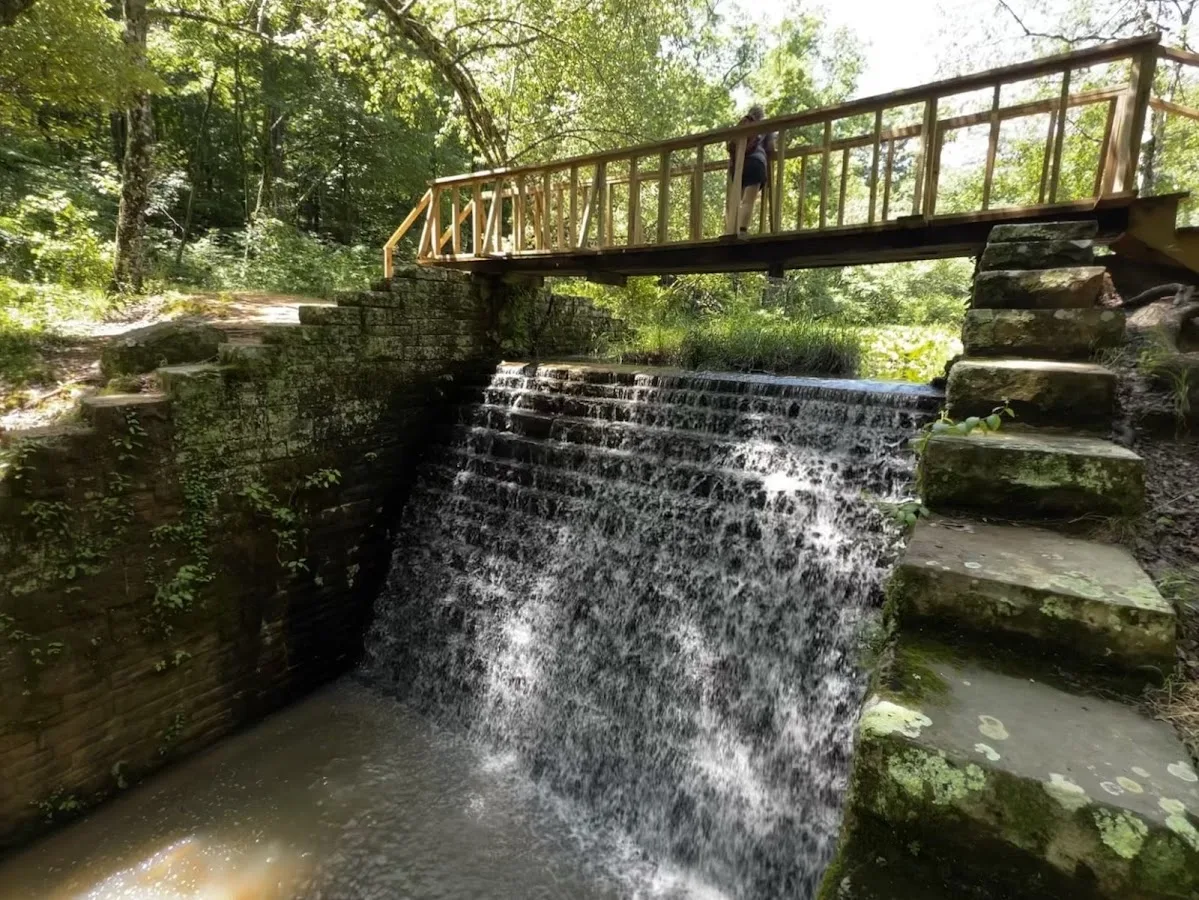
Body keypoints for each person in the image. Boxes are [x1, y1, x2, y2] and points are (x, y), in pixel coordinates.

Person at [726, 104, 777, 237]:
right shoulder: (766, 126)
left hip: (738, 165)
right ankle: (742, 231)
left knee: (737, 199)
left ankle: (731, 230)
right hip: (756, 163)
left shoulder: (742, 125)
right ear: (762, 116)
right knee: (748, 200)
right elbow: (771, 148)